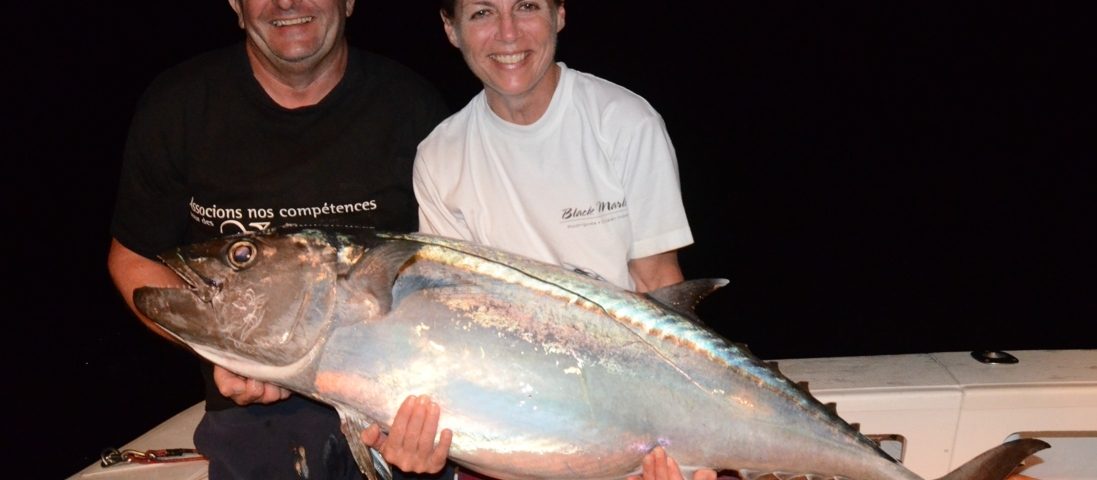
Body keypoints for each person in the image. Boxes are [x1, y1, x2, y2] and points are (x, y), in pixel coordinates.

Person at [361, 1, 718, 479]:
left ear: (560, 14)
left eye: (526, 6)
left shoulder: (624, 122)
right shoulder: (441, 156)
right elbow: (453, 319)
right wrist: (413, 437)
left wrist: (687, 440)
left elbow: (659, 284)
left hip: (628, 420)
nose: (508, 34)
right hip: (511, 430)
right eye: (482, 13)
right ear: (451, 29)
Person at [106, 0, 450, 478]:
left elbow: (449, 280)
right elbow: (134, 258)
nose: (287, 3)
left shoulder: (411, 108)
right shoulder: (181, 107)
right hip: (256, 412)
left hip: (392, 401)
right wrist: (225, 351)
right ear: (235, 5)